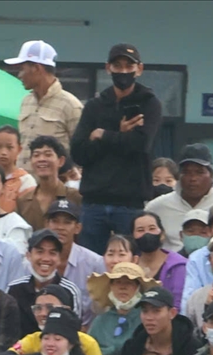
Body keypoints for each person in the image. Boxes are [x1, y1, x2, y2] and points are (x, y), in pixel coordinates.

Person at [70, 43, 162, 253]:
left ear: (139, 69)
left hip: (130, 203)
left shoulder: (149, 104)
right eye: (117, 65)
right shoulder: (94, 106)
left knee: (129, 264)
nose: (123, 71)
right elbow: (79, 152)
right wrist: (120, 134)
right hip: (94, 203)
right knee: (90, 263)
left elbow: (141, 144)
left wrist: (103, 134)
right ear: (108, 68)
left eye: (128, 66)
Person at [142, 144, 213, 253]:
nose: (193, 178)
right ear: (179, 176)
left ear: (212, 174)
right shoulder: (156, 207)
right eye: (186, 172)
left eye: (199, 172)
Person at [6, 40, 83, 165]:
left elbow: (81, 152)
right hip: (24, 182)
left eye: (22, 69)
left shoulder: (71, 105)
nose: (19, 75)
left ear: (37, 68)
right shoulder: (26, 102)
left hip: (55, 183)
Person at [17, 136, 80, 232]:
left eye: (48, 154)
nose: (41, 159)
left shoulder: (75, 197)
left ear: (61, 161)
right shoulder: (22, 202)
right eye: (36, 155)